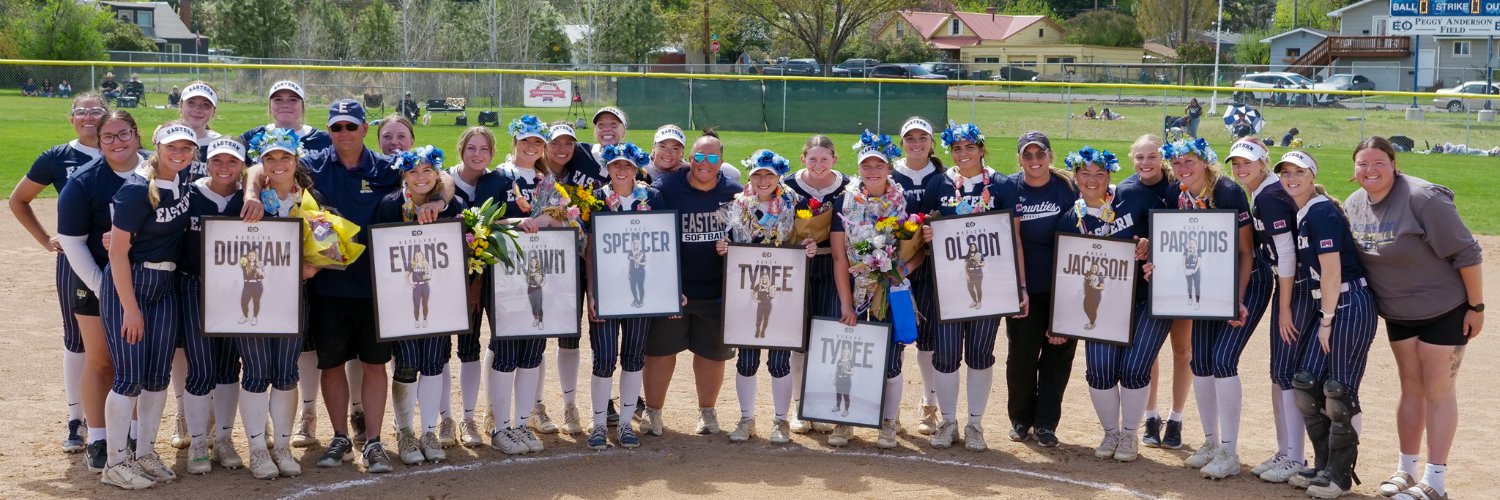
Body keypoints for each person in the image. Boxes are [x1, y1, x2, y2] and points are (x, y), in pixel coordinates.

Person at [241, 98, 449, 474]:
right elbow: (264, 167)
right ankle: (340, 435)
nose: (343, 134)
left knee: (374, 365)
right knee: (332, 365)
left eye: (351, 126)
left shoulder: (386, 166)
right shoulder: (315, 164)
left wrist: (435, 199)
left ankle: (372, 441)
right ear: (329, 130)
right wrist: (253, 194)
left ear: (364, 129)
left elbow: (441, 176)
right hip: (327, 286)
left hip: (376, 288)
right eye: (336, 127)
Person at [1343, 137, 1483, 500]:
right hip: (1398, 312)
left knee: (1438, 390)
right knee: (1411, 388)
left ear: (1393, 163)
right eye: (1362, 164)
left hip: (1443, 308)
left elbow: (1467, 252)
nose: (1370, 170)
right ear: (1354, 168)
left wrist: (1476, 306)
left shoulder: (1422, 198)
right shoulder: (1354, 204)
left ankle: (1435, 480)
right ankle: (1406, 470)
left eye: (1378, 163)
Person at [96, 122, 198, 489]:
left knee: (156, 379)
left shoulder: (184, 181)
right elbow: (117, 252)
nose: (180, 152)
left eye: (186, 147)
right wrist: (130, 308)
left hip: (165, 286)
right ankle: (115, 462)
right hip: (133, 286)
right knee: (128, 379)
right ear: (156, 146)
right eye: (172, 146)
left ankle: (144, 452)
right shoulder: (137, 189)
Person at [1273, 150, 1378, 499]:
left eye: (1298, 172)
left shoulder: (1321, 211)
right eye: (1285, 172)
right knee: (1305, 385)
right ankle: (1322, 463)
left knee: (1339, 391)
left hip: (1349, 302)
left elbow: (1332, 271)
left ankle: (1340, 474)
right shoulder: (1306, 212)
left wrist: (1327, 321)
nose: (1291, 178)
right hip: (1331, 303)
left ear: (1312, 174)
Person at [1056, 146, 1166, 463]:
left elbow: (1166, 230)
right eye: (1085, 173)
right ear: (1075, 176)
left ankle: (1130, 433)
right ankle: (1111, 432)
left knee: (1135, 369)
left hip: (1145, 298)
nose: (1092, 180)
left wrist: (1149, 245)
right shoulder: (1069, 219)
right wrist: (1062, 319)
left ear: (1110, 176)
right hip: (1102, 302)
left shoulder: (1132, 198)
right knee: (1101, 370)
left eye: (1100, 174)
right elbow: (1065, 273)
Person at [10, 93, 106, 456]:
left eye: (95, 111)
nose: (88, 117)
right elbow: (19, 199)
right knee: (77, 340)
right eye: (81, 112)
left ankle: (118, 419)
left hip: (121, 259)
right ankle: (75, 419)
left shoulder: (127, 154)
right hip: (75, 259)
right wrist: (45, 239)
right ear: (71, 119)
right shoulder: (57, 157)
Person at [922, 122, 1023, 452]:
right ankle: (948, 421)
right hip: (949, 285)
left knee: (980, 353)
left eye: (969, 147)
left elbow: (1015, 239)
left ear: (982, 149)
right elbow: (923, 228)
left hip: (990, 284)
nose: (962, 154)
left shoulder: (1002, 184)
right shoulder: (939, 183)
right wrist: (925, 234)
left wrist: (1020, 286)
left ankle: (975, 423)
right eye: (956, 148)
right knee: (947, 354)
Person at [1161, 137, 1259, 479]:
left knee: (1222, 360)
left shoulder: (1228, 192)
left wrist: (1238, 298)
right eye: (1177, 163)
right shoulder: (1180, 193)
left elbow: (1246, 252)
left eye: (1190, 161)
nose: (1183, 169)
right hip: (1207, 283)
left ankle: (1230, 452)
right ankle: (1211, 442)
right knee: (1201, 362)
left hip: (1243, 283)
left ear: (1205, 162)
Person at [56, 109, 148, 473]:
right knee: (100, 359)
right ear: (98, 140)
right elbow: (72, 242)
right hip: (95, 277)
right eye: (107, 136)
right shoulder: (84, 181)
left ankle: (136, 436)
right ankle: (96, 437)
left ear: (136, 134)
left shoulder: (155, 171)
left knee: (137, 360)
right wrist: (104, 288)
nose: (116, 142)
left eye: (123, 134)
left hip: (144, 279)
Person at [714, 149, 815, 444]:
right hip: (746, 291)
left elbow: (804, 239)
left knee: (779, 362)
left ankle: (780, 420)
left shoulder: (794, 203)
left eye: (768, 174)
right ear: (749, 176)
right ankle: (746, 418)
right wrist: (723, 247)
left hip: (783, 292)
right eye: (757, 174)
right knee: (746, 360)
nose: (762, 180)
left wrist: (808, 245)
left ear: (778, 176)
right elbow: (729, 242)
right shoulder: (737, 205)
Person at [644, 130, 741, 437]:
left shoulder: (735, 194)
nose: (704, 163)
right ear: (689, 159)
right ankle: (653, 411)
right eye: (699, 156)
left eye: (712, 157)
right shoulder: (666, 188)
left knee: (712, 354)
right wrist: (664, 285)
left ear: (721, 162)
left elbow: (748, 237)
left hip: (716, 290)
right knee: (659, 352)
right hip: (675, 289)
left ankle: (707, 412)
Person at [830, 131, 923, 448]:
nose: (872, 172)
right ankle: (846, 420)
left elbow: (918, 249)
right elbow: (840, 256)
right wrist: (845, 302)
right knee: (849, 358)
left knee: (891, 359)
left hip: (890, 289)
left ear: (889, 169)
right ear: (859, 169)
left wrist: (900, 271)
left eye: (878, 166)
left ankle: (888, 422)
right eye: (866, 166)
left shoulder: (903, 201)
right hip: (856, 290)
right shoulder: (845, 201)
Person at [374, 145, 467, 465]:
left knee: (432, 363)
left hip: (440, 297)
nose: (420, 177)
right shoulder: (389, 205)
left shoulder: (451, 203)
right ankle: (405, 432)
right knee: (406, 363)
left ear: (437, 173)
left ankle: (429, 430)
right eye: (412, 171)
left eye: (427, 170)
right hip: (401, 300)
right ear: (403, 175)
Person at [1226, 138, 1311, 483]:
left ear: (1263, 163)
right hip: (1293, 285)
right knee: (1280, 373)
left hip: (1300, 287)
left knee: (1287, 373)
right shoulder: (1263, 194)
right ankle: (1286, 450)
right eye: (1235, 164)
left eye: (1248, 162)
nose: (1241, 168)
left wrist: (1286, 305)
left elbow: (1288, 254)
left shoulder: (1270, 196)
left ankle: (1296, 456)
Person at [242, 128, 323, 479]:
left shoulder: (308, 199)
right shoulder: (248, 201)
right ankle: (258, 448)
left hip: (293, 296)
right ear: (261, 163)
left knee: (286, 371)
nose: (277, 164)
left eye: (284, 157)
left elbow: (327, 246)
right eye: (270, 158)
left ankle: (284, 446)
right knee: (257, 371)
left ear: (296, 160)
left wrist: (314, 266)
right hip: (254, 294)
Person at [582, 141, 659, 450]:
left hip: (640, 289)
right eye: (616, 165)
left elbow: (662, 246)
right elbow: (588, 251)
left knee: (633, 357)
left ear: (637, 167)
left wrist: (666, 289)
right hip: (607, 289)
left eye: (628, 165)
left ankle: (626, 423)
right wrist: (591, 293)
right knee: (603, 358)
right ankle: (599, 423)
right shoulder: (596, 200)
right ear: (608, 168)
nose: (622, 170)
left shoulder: (652, 197)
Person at [486, 116, 554, 455]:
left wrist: (541, 220)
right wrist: (518, 221)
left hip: (539, 269)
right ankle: (499, 427)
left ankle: (521, 423)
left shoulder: (547, 179)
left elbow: (563, 216)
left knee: (533, 351)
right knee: (506, 351)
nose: (531, 147)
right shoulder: (500, 176)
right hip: (506, 272)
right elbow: (485, 218)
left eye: (538, 142)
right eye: (525, 140)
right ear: (514, 141)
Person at [1007, 131, 1078, 447]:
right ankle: (1021, 419)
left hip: (1064, 286)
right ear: (1020, 158)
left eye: (1040, 154)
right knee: (1021, 355)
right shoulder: (1010, 188)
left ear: (1050, 155)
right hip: (1023, 288)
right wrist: (1020, 286)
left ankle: (1047, 422)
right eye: (1027, 155)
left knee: (1057, 355)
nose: (1034, 160)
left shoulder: (1067, 188)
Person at [782, 134, 851, 435]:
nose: (819, 164)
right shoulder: (787, 186)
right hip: (797, 264)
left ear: (835, 159)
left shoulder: (849, 187)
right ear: (803, 159)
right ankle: (800, 406)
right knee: (799, 338)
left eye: (825, 158)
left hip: (835, 265)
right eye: (813, 158)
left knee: (828, 336)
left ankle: (819, 407)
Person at [444, 125, 506, 451]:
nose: (478, 154)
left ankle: (470, 417)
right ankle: (444, 418)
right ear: (461, 149)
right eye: (472, 148)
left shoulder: (498, 183)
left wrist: (476, 285)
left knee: (470, 348)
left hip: (481, 280)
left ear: (492, 154)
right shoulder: (443, 181)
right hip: (442, 282)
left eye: (484, 149)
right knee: (438, 351)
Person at [1127, 134, 1189, 450]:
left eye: (1152, 156)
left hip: (1179, 279)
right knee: (1147, 351)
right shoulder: (1124, 190)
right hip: (1143, 282)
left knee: (1182, 350)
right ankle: (1150, 416)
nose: (1145, 163)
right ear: (1131, 158)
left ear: (1161, 157)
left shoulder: (1176, 187)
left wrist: (1156, 245)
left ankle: (1176, 418)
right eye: (1139, 157)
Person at [891, 117, 943, 437]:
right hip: (894, 270)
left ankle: (929, 404)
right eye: (910, 138)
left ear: (931, 142)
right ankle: (889, 410)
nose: (917, 143)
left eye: (922, 137)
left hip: (933, 269)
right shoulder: (889, 172)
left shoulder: (943, 176)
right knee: (894, 339)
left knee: (928, 342)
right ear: (903, 143)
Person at [240, 81, 334, 169]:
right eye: (278, 100)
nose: (285, 105)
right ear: (270, 106)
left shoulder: (323, 140)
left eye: (292, 100)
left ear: (303, 106)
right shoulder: (253, 136)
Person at [644, 124, 740, 183]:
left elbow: (735, 174)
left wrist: (692, 167)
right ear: (653, 147)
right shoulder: (640, 166)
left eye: (675, 148)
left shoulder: (687, 167)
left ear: (682, 152)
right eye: (662, 146)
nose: (668, 153)